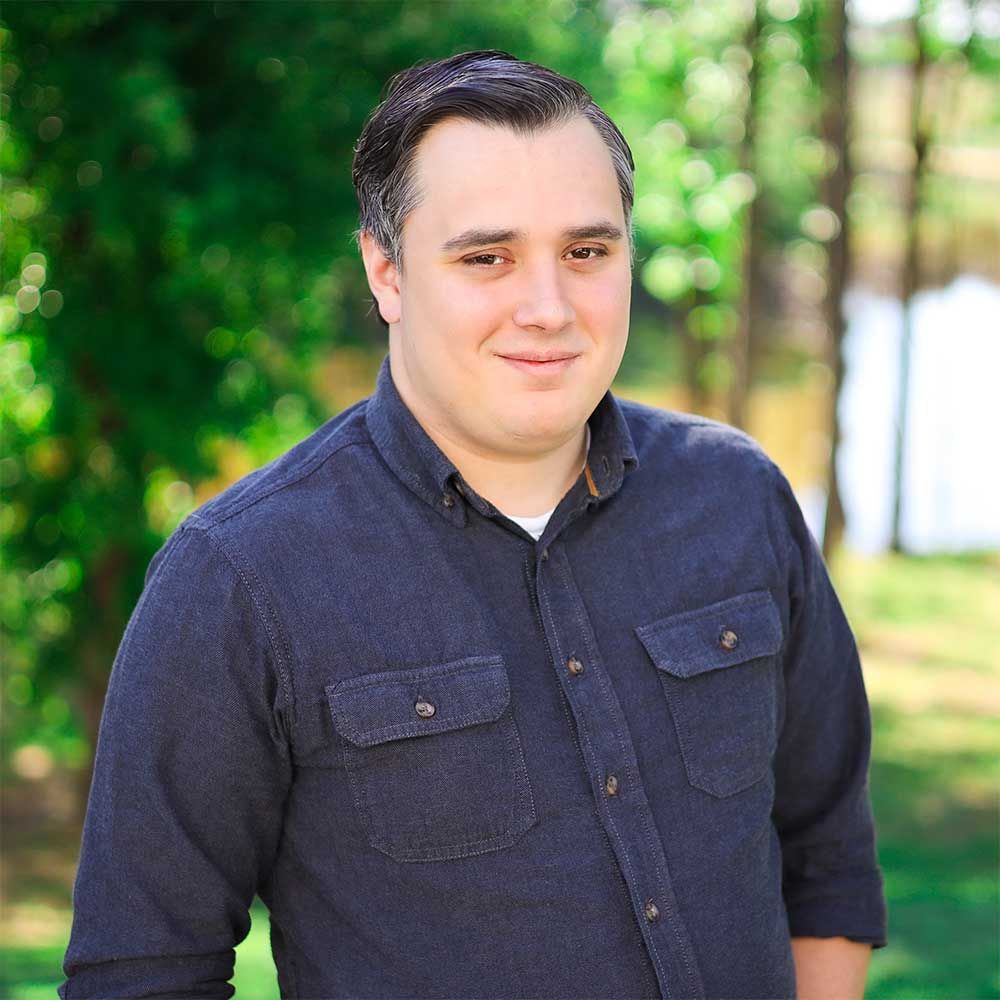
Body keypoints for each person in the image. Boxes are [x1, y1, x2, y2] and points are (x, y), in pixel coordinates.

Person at [60, 49, 887, 1000]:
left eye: (586, 252)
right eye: (486, 258)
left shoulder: (738, 497)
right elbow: (144, 972)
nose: (548, 308)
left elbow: (826, 855)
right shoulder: (240, 577)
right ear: (387, 273)